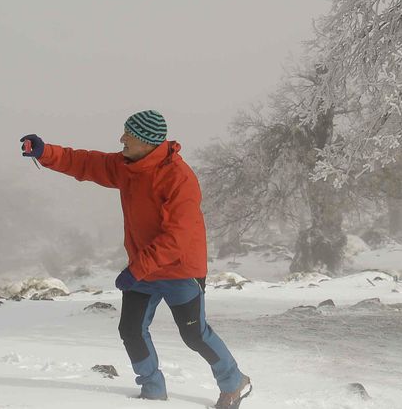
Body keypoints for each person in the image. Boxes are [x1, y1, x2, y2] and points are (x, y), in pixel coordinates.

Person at [21, 111, 252, 407]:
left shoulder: (179, 179)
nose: (121, 139)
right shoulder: (126, 166)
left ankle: (234, 382)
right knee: (130, 330)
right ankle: (153, 392)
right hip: (144, 270)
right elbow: (84, 162)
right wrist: (44, 151)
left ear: (146, 142)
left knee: (194, 334)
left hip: (180, 270)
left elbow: (176, 239)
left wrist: (135, 269)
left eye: (127, 135)